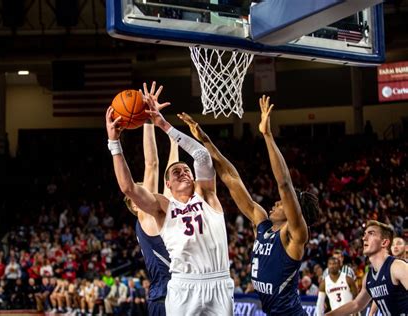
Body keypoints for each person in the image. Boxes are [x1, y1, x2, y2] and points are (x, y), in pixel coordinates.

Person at [178, 95, 319, 315]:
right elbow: (231, 178)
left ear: (294, 210)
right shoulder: (261, 222)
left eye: (281, 204)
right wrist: (206, 140)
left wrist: (267, 135)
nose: (275, 202)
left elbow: (284, 183)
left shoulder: (294, 234)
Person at [106, 82, 234, 315]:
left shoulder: (207, 196)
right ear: (168, 185)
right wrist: (114, 143)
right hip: (183, 286)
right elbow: (129, 187)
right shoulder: (163, 207)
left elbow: (202, 156)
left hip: (219, 283)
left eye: (187, 170)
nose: (183, 171)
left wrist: (162, 124)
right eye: (176, 172)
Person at [123, 82, 176, 315]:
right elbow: (152, 165)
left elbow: (170, 175)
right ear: (136, 204)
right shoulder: (146, 215)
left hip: (180, 292)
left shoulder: (159, 214)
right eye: (141, 189)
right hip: (165, 297)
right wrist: (146, 120)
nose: (146, 189)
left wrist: (174, 139)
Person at [327, 220, 408, 315]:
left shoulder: (397, 267)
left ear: (384, 242)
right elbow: (357, 304)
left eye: (371, 234)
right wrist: (329, 315)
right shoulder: (368, 277)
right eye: (364, 234)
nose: (364, 238)